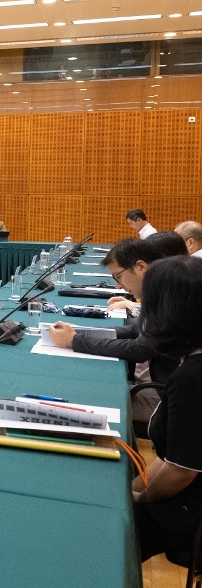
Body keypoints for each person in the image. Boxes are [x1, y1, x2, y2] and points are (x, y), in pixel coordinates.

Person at [47, 238, 175, 431]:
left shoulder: (169, 295)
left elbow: (140, 349)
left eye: (118, 276)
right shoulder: (160, 288)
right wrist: (81, 332)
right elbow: (136, 329)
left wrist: (75, 340)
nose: (118, 287)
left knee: (78, 398)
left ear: (141, 267)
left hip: (162, 397)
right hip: (156, 385)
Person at [132, 256, 202, 561]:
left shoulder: (193, 377)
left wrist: (141, 497)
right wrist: (133, 488)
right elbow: (171, 456)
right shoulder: (191, 363)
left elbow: (181, 470)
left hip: (189, 512)